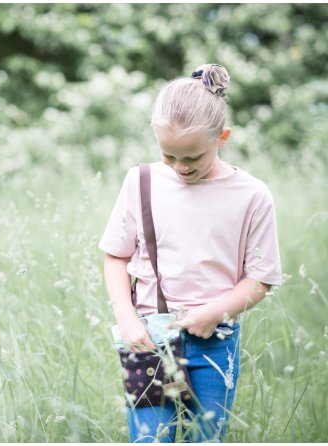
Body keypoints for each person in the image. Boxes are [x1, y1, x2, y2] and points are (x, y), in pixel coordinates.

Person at [98, 64, 282, 443]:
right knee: (151, 438)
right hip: (149, 336)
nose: (180, 168)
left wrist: (216, 312)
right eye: (169, 156)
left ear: (222, 138)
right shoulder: (141, 181)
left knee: (205, 437)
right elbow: (116, 256)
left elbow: (261, 278)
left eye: (192, 158)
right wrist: (127, 318)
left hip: (214, 341)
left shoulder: (251, 195)